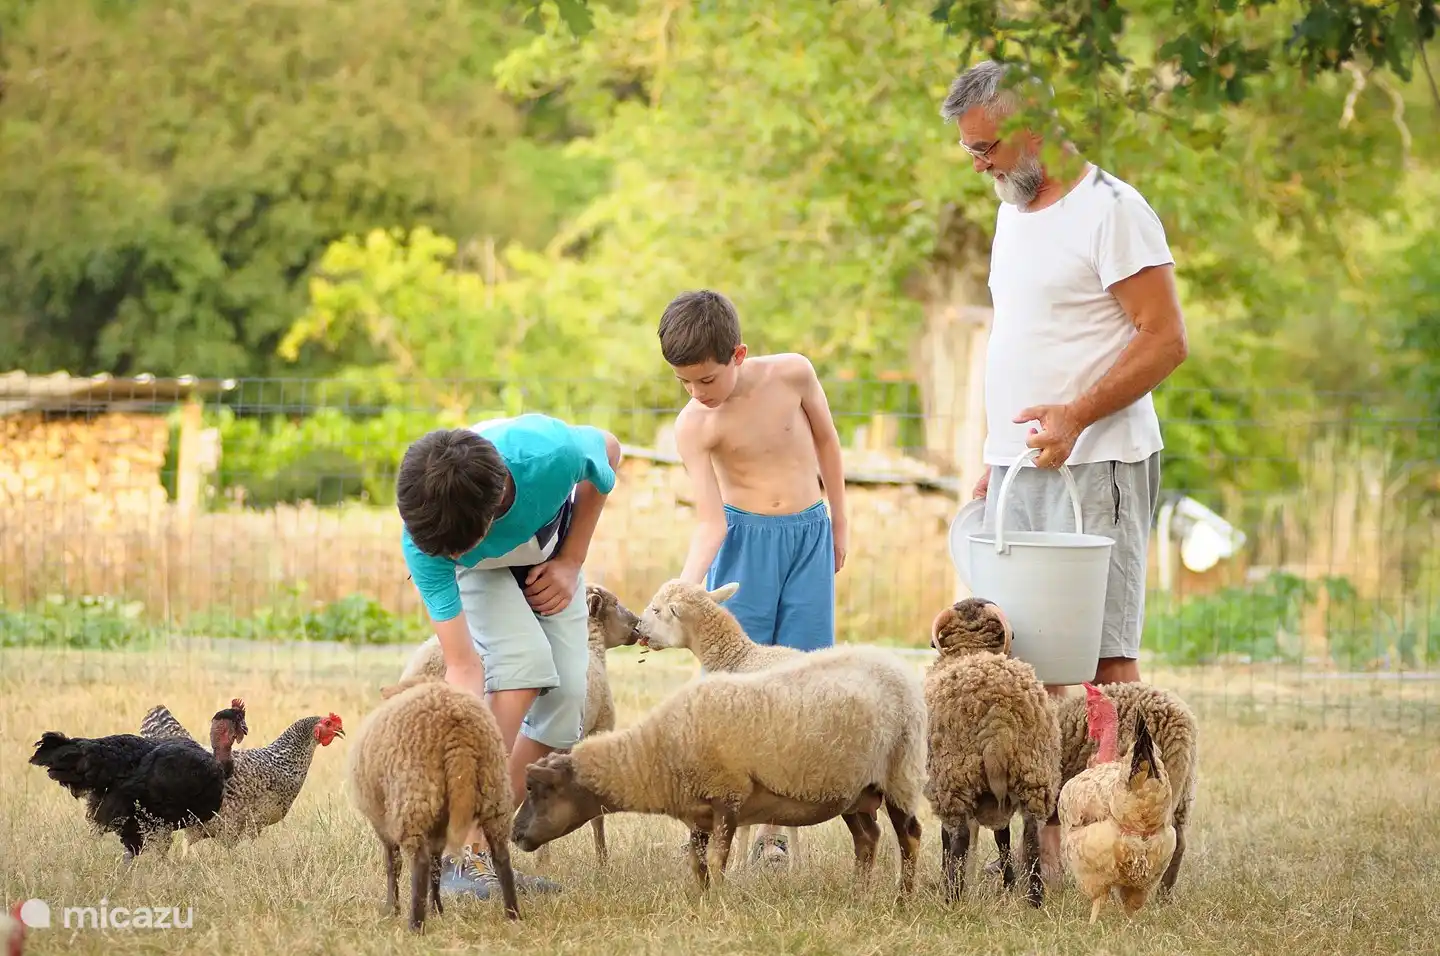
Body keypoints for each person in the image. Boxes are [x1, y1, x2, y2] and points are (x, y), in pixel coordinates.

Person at [938, 59, 1189, 880]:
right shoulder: (1014, 208)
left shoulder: (1113, 210)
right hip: (1024, 465)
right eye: (971, 151)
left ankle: (1126, 840)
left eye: (987, 145)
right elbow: (1025, 337)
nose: (978, 162)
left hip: (1099, 461)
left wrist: (1077, 415)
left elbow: (1164, 339)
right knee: (1035, 659)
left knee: (1104, 661)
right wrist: (991, 457)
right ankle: (1056, 843)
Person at [657, 288, 848, 866]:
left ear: (738, 355)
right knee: (739, 684)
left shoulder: (792, 374)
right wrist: (683, 589)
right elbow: (709, 522)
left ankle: (776, 831)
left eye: (706, 380)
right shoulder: (694, 428)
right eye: (684, 383)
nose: (697, 394)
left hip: (809, 535)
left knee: (804, 672)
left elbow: (828, 444)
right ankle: (720, 818)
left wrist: (839, 522)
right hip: (745, 546)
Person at [397, 413, 622, 900]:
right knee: (520, 667)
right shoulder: (428, 542)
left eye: (457, 551)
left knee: (565, 708)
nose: (445, 559)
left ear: (494, 505)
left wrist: (572, 561)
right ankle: (465, 852)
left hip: (549, 556)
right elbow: (463, 666)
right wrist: (464, 751)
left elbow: (609, 449)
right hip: (488, 574)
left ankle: (476, 844)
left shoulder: (548, 454)